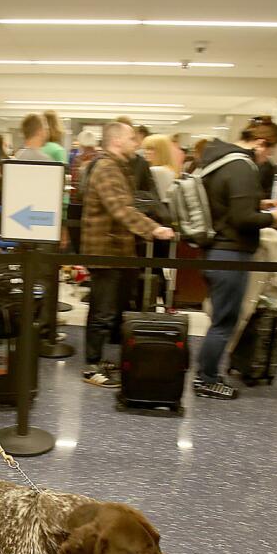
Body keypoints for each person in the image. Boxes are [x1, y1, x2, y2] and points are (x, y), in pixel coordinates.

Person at [195, 117, 277, 400]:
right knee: (224, 321)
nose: (268, 157)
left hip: (216, 250)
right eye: (269, 151)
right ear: (261, 143)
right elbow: (241, 218)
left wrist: (258, 204)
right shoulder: (241, 166)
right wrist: (271, 218)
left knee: (221, 319)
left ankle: (208, 373)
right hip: (231, 252)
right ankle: (207, 379)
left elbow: (225, 204)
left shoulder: (219, 160)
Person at [79, 122, 174, 388]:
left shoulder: (117, 167)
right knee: (102, 312)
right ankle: (91, 366)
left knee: (105, 309)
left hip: (115, 250)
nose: (137, 143)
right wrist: (153, 228)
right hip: (104, 251)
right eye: (132, 138)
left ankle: (96, 360)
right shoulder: (107, 168)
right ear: (117, 141)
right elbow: (120, 209)